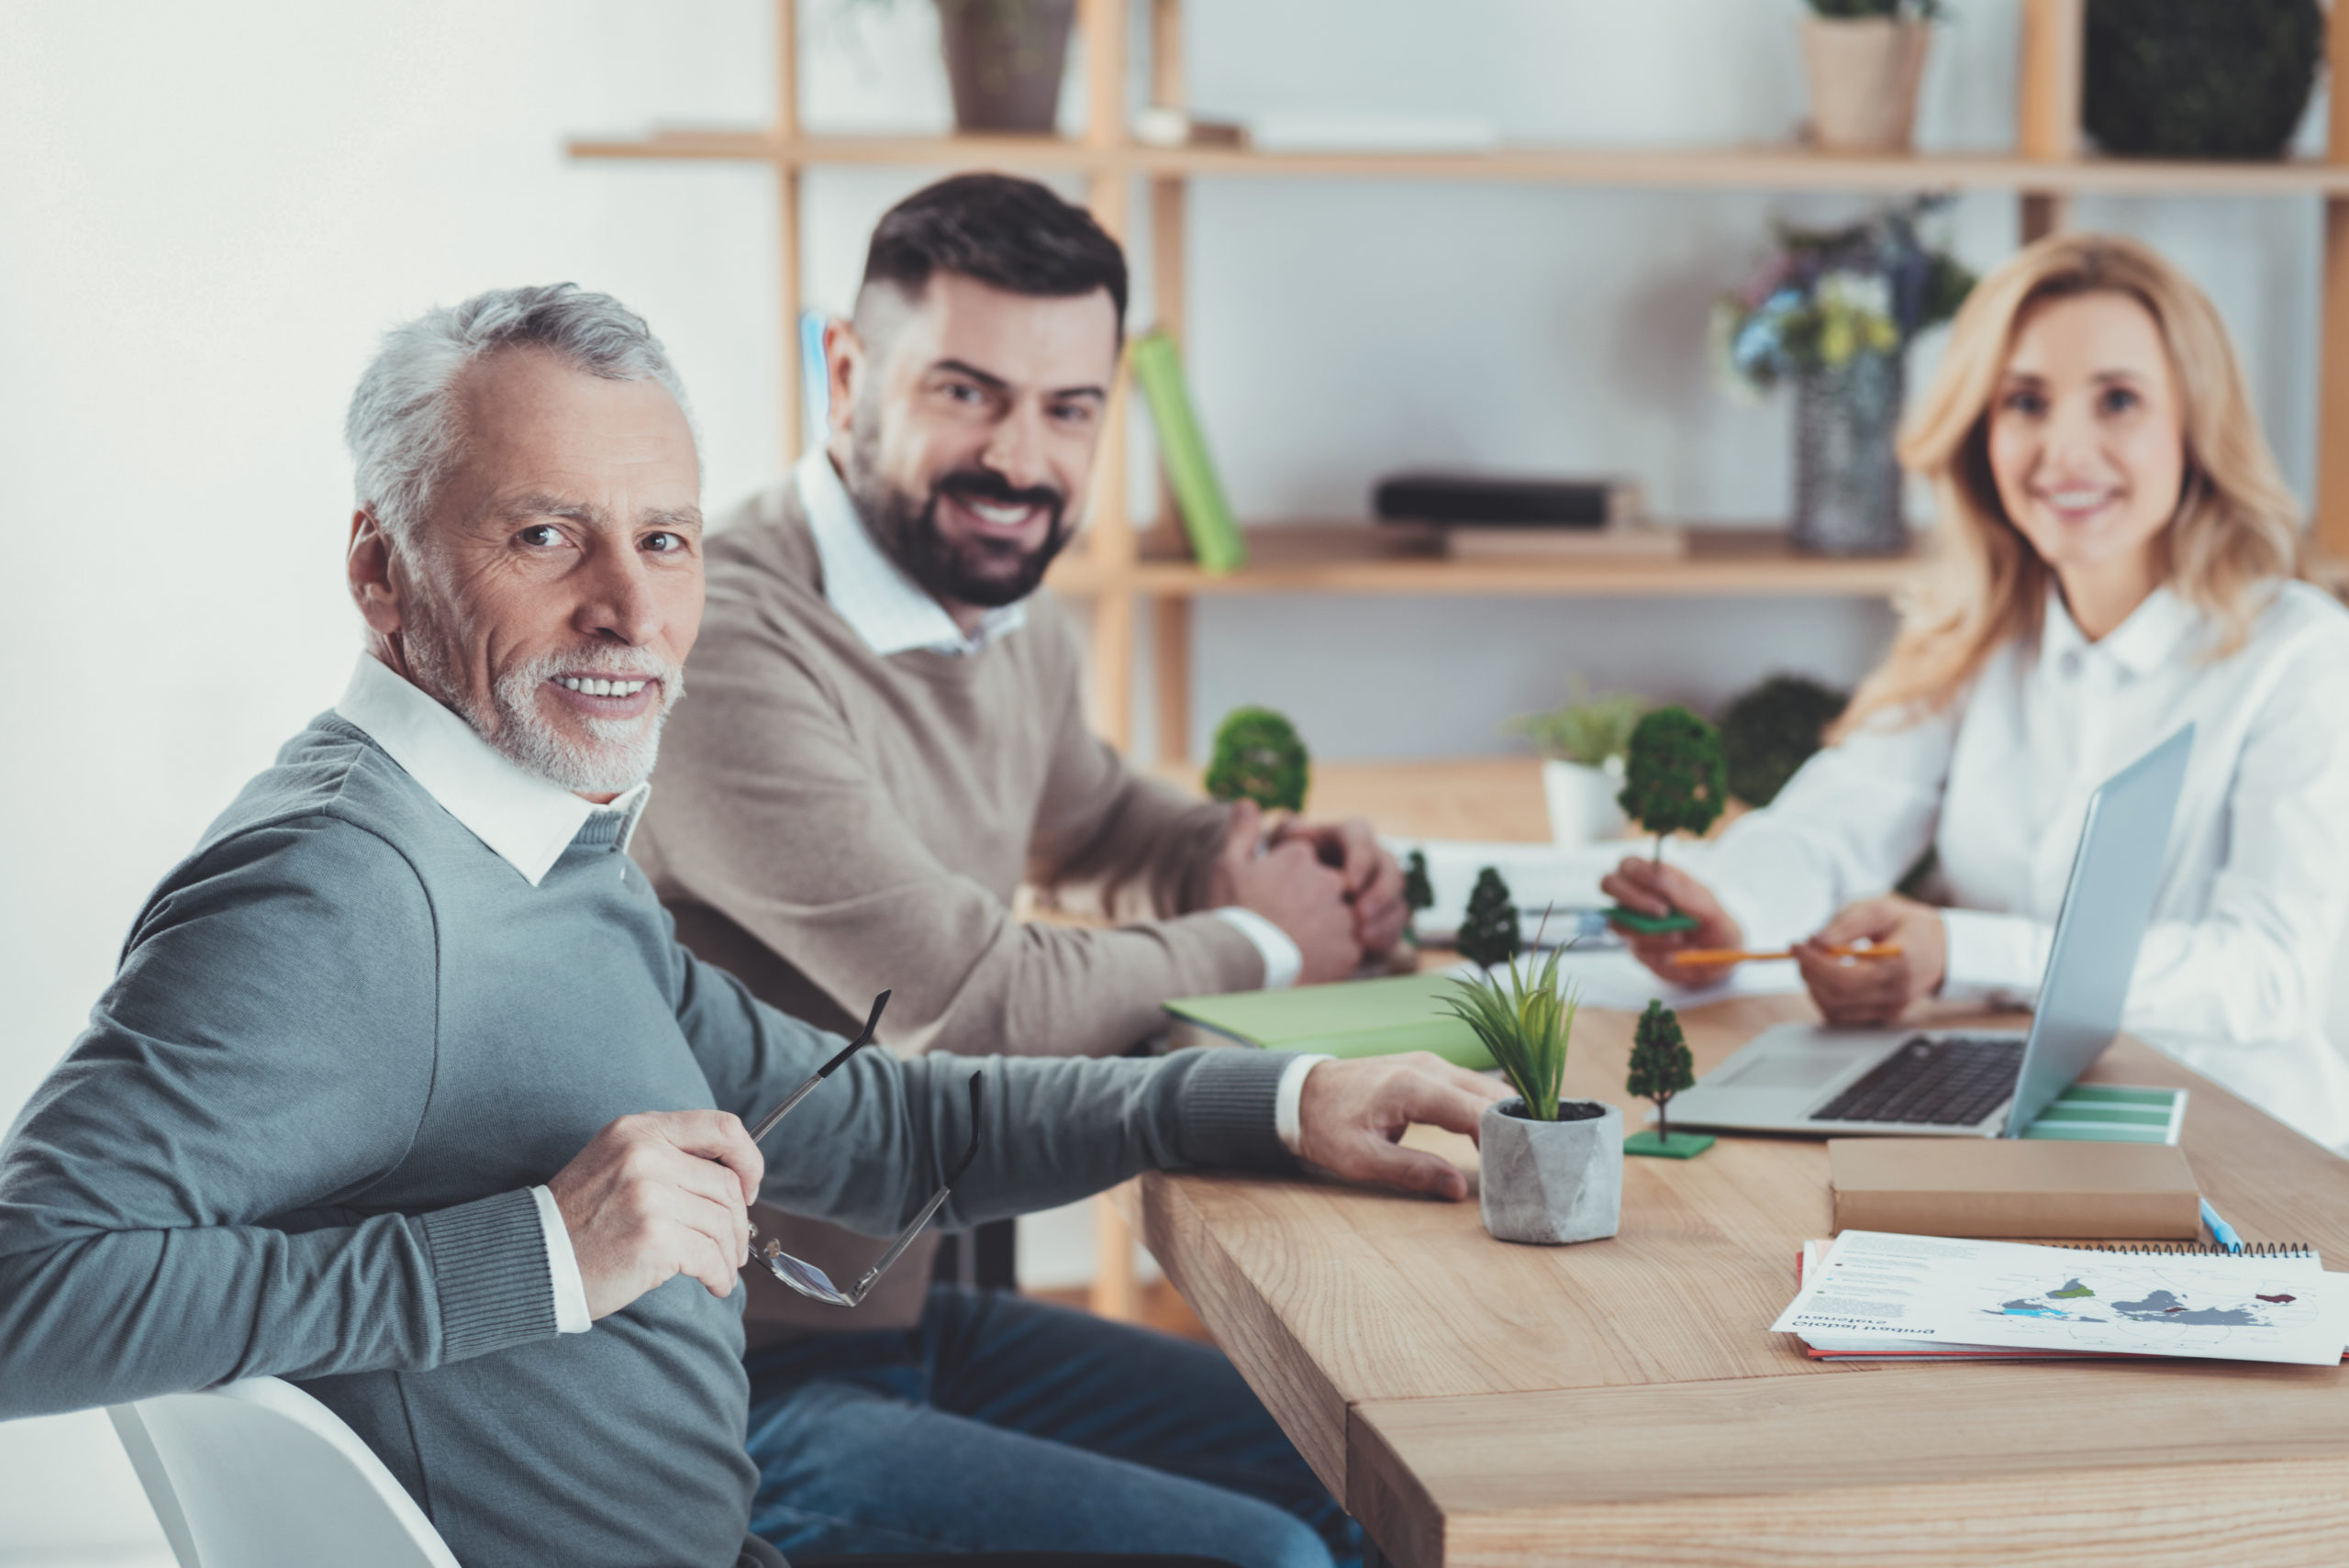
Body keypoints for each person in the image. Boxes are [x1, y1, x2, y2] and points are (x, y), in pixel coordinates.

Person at [0, 284, 1507, 1568]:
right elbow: (24, 1290)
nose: (630, 609)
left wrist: (1283, 1098)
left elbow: (879, 1131)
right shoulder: (336, 893)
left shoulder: (544, 837)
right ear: (380, 573)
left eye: (664, 539)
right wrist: (542, 1248)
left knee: (1377, 1466)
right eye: (544, 536)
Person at [627, 175, 1410, 1558]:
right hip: (709, 1391)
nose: (1020, 459)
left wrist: (1256, 856)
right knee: (1270, 1556)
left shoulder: (994, 610)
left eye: (1070, 409)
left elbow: (1098, 819)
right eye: (968, 393)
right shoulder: (728, 641)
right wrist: (1270, 939)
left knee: (1371, 1473)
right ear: (848, 372)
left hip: (886, 1322)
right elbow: (972, 1000)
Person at [1603, 232, 2349, 1147]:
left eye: (2117, 400)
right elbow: (1834, 824)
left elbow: (2271, 971)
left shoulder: (2299, 654)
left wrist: (1959, 951)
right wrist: (1731, 909)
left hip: (2251, 1143)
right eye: (2025, 402)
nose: (2064, 451)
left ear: (2194, 423)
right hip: (2025, 1120)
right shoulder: (1982, 635)